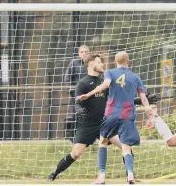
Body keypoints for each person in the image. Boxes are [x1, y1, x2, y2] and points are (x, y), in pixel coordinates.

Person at [47, 54, 156, 182]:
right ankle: (54, 173)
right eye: (99, 62)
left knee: (125, 146)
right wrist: (81, 112)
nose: (102, 64)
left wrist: (139, 100)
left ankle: (130, 176)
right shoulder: (82, 83)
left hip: (104, 122)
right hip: (87, 124)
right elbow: (77, 103)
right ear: (92, 64)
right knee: (76, 153)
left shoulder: (105, 81)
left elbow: (117, 99)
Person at [78, 51, 152, 184]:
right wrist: (150, 117)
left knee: (103, 142)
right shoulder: (135, 77)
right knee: (126, 146)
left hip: (111, 114)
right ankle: (130, 175)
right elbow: (144, 99)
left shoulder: (110, 72)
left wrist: (89, 94)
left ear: (114, 61)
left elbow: (105, 85)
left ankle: (101, 176)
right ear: (128, 61)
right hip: (127, 115)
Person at [63, 45, 90, 142]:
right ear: (79, 53)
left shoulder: (91, 63)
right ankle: (72, 138)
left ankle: (89, 138)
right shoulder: (74, 63)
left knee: (89, 115)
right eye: (82, 52)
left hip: (89, 95)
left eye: (86, 51)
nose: (84, 53)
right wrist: (71, 90)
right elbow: (67, 78)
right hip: (76, 95)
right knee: (74, 115)